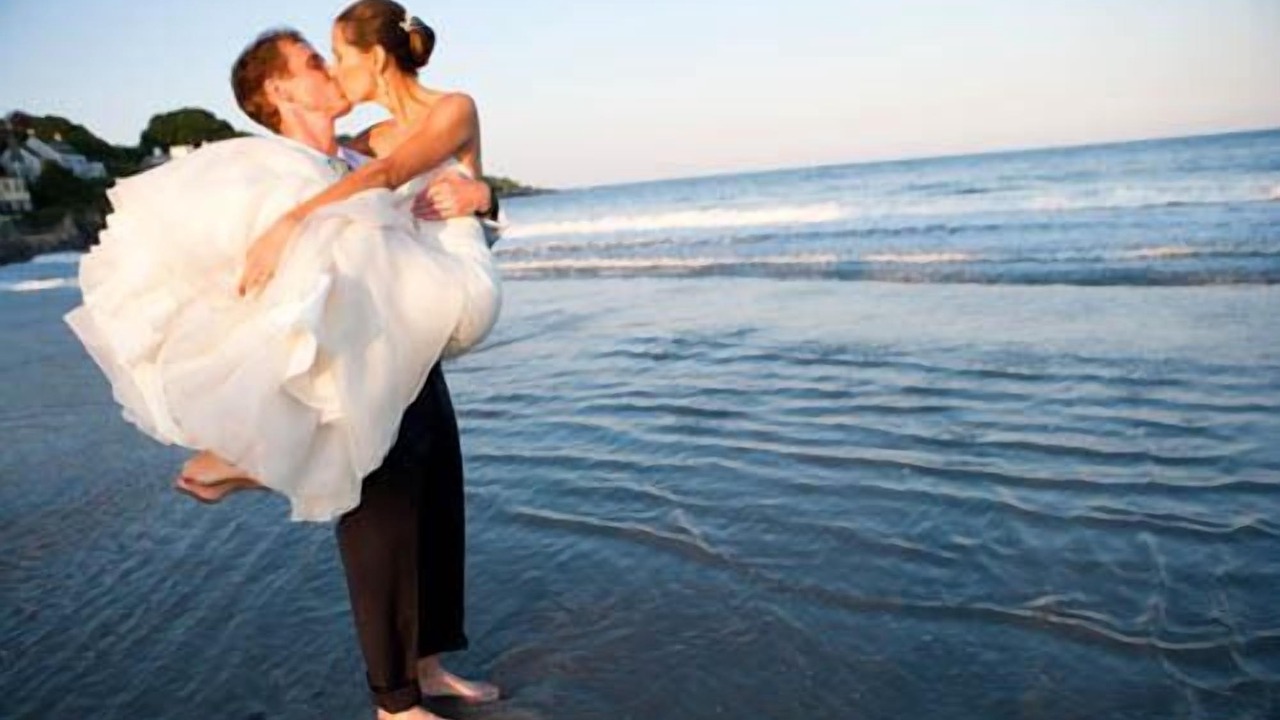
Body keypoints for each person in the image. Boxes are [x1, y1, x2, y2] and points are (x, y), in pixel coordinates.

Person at [65, 16, 502, 720]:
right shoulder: (269, 179)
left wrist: (486, 198)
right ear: (278, 88)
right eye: (313, 61)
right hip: (359, 356)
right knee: (380, 513)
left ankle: (429, 664)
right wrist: (291, 227)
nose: (331, 70)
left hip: (412, 350)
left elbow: (434, 177)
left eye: (331, 55)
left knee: (437, 498)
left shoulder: (359, 157)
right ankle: (395, 701)